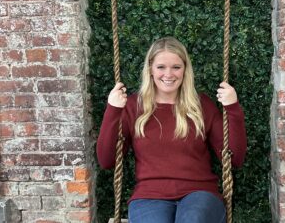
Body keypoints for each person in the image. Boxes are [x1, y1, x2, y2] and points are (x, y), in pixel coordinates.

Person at [97, 37, 247, 223]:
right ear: (150, 69)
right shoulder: (133, 106)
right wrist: (113, 110)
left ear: (185, 70)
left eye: (176, 67)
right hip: (149, 195)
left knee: (193, 219)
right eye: (161, 67)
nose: (169, 74)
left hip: (200, 193)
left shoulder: (202, 106)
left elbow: (235, 159)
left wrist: (232, 108)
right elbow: (106, 160)